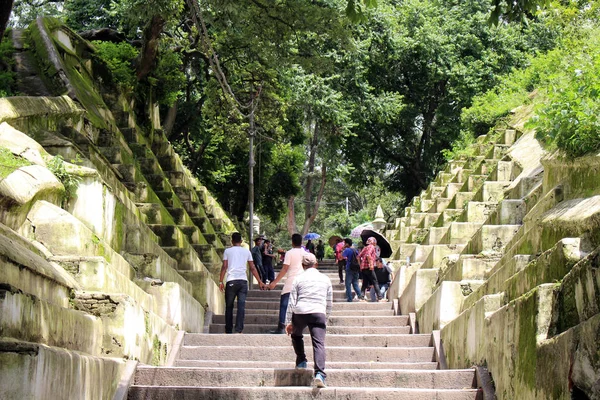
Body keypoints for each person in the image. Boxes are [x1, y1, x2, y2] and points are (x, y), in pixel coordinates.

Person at [285, 252, 332, 388]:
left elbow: (292, 301)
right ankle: (320, 374)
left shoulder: (298, 279)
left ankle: (301, 360)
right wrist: (326, 317)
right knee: (319, 343)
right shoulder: (325, 279)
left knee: (296, 334)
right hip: (318, 312)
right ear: (316, 263)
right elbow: (329, 302)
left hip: (301, 312)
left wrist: (289, 321)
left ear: (303, 265)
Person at [218, 232, 266, 334]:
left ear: (232, 241)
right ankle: (239, 329)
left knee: (229, 306)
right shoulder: (246, 252)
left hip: (231, 281)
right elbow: (252, 268)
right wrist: (260, 281)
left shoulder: (227, 251)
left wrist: (220, 281)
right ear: (241, 241)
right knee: (241, 306)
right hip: (243, 282)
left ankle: (228, 330)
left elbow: (224, 267)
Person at [268, 233, 306, 334]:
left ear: (292, 242)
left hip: (291, 281)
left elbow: (285, 268)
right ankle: (298, 327)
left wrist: (274, 282)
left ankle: (281, 327)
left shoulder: (290, 253)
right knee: (298, 304)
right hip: (302, 281)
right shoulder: (305, 253)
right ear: (301, 242)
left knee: (284, 304)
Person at [358, 237, 385, 302]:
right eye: (375, 241)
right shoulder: (371, 247)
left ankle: (361, 298)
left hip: (363, 268)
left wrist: (361, 265)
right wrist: (371, 264)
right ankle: (380, 297)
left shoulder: (365, 247)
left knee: (364, 283)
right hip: (369, 268)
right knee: (375, 282)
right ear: (373, 242)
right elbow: (368, 255)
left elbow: (358, 257)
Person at [341, 238, 364, 302]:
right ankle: (360, 297)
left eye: (345, 243)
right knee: (355, 284)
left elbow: (341, 257)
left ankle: (350, 298)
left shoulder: (347, 250)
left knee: (348, 284)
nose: (344, 244)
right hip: (356, 268)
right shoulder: (355, 250)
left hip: (349, 268)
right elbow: (358, 258)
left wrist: (342, 249)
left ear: (347, 244)